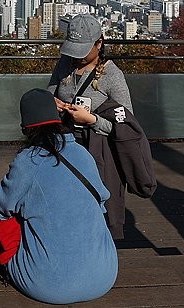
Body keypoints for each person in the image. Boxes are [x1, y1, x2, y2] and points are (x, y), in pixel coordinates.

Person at [0, 89, 118, 304]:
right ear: (57, 119)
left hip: (46, 285)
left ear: (25, 128)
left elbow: (1, 207)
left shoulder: (28, 161)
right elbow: (102, 198)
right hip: (104, 276)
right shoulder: (83, 153)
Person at [48, 13, 134, 238]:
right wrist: (53, 105)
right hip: (66, 147)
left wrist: (93, 121)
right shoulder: (64, 65)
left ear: (99, 43)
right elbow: (48, 95)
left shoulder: (112, 75)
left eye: (83, 50)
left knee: (96, 209)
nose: (77, 57)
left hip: (98, 151)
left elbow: (128, 125)